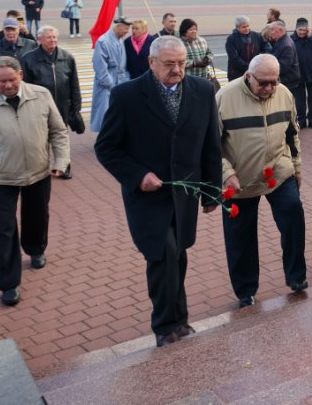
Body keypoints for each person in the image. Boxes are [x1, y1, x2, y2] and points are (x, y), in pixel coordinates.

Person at [95, 36, 222, 347]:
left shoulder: (203, 91)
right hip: (147, 197)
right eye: (169, 64)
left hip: (186, 192)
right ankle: (165, 326)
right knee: (161, 253)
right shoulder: (127, 95)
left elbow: (211, 144)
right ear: (151, 63)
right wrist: (138, 176)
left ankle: (180, 319)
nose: (177, 69)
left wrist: (212, 193)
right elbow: (107, 147)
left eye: (181, 63)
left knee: (178, 255)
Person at [216, 54, 306, 307]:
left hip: (277, 170)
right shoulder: (224, 98)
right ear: (248, 76)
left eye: (273, 82)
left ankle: (296, 277)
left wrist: (296, 168)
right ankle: (246, 290)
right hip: (239, 178)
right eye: (263, 83)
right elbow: (211, 145)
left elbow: (292, 134)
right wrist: (226, 173)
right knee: (240, 236)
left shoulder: (284, 94)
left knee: (293, 214)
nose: (268, 89)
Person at [0, 57, 70, 305]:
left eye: (11, 79)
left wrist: (60, 162)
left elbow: (58, 131)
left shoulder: (40, 95)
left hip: (38, 172)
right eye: (1, 81)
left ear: (20, 75)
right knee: (5, 229)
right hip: (1, 177)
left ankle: (36, 248)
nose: (7, 85)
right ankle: (8, 284)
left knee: (37, 215)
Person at [20, 26, 81, 178]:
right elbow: (25, 86)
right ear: (40, 39)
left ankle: (64, 167)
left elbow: (74, 83)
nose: (53, 40)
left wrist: (76, 107)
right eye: (49, 37)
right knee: (40, 139)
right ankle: (41, 168)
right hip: (38, 106)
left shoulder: (67, 57)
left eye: (54, 37)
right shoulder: (28, 59)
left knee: (61, 136)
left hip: (62, 106)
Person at [90, 17, 131, 132]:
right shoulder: (103, 41)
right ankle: (104, 140)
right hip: (106, 84)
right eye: (125, 28)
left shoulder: (120, 40)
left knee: (118, 113)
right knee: (104, 114)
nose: (127, 31)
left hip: (120, 81)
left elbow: (123, 63)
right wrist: (109, 83)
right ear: (118, 26)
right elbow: (100, 66)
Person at [291, 18, 312, 128]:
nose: (302, 32)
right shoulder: (291, 40)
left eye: (304, 30)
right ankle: (301, 120)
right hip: (298, 74)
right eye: (300, 30)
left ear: (308, 29)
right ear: (296, 29)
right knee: (300, 100)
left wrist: (310, 37)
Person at [225, 16, 265, 82]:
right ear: (237, 28)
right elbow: (234, 57)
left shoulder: (256, 36)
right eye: (243, 27)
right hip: (236, 73)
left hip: (253, 72)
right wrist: (248, 67)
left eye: (248, 26)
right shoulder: (231, 39)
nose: (247, 29)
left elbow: (265, 49)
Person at [264, 21, 301, 90]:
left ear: (280, 30)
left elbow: (283, 67)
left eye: (272, 30)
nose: (270, 32)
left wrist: (267, 70)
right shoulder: (280, 40)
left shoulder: (286, 46)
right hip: (287, 80)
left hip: (288, 81)